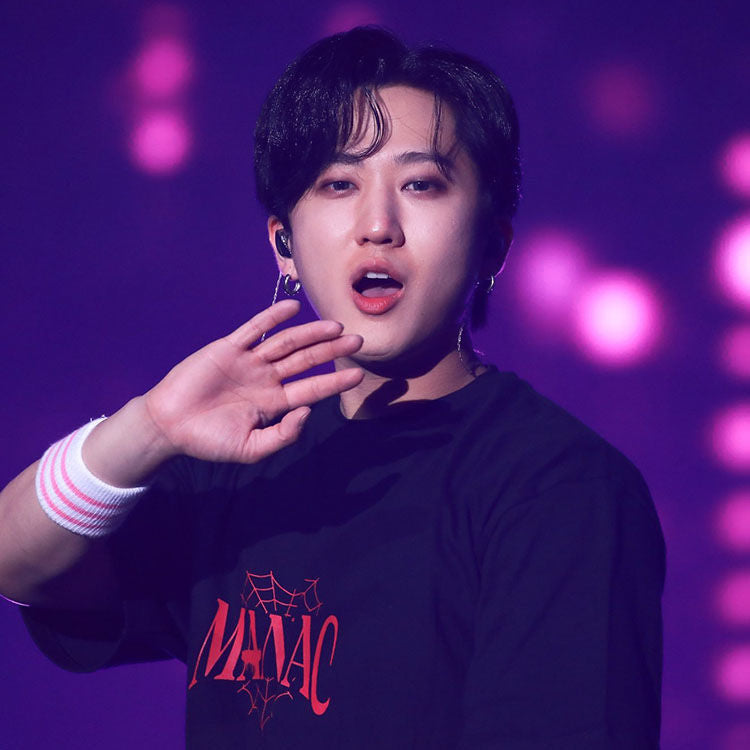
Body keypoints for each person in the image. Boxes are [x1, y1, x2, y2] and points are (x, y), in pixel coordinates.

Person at [0, 26, 665, 749]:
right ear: (283, 243)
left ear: (492, 245)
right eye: (339, 184)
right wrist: (150, 428)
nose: (377, 226)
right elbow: (17, 561)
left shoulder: (561, 486)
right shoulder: (244, 458)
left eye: (421, 184)